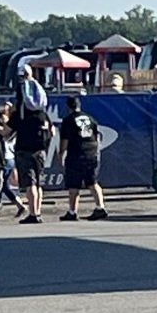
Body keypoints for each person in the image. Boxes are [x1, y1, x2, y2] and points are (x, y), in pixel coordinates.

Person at [57, 94, 109, 222]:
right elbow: (97, 136)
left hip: (76, 154)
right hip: (91, 153)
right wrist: (96, 151)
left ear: (68, 107)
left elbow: (65, 140)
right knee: (92, 182)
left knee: (73, 184)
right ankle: (100, 207)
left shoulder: (68, 120)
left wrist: (61, 154)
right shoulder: (90, 119)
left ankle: (72, 211)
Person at [10, 91, 55, 224]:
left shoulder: (21, 115)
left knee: (30, 184)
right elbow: (52, 131)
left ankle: (33, 213)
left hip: (25, 151)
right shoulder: (43, 115)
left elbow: (6, 131)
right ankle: (38, 211)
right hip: (40, 151)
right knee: (38, 183)